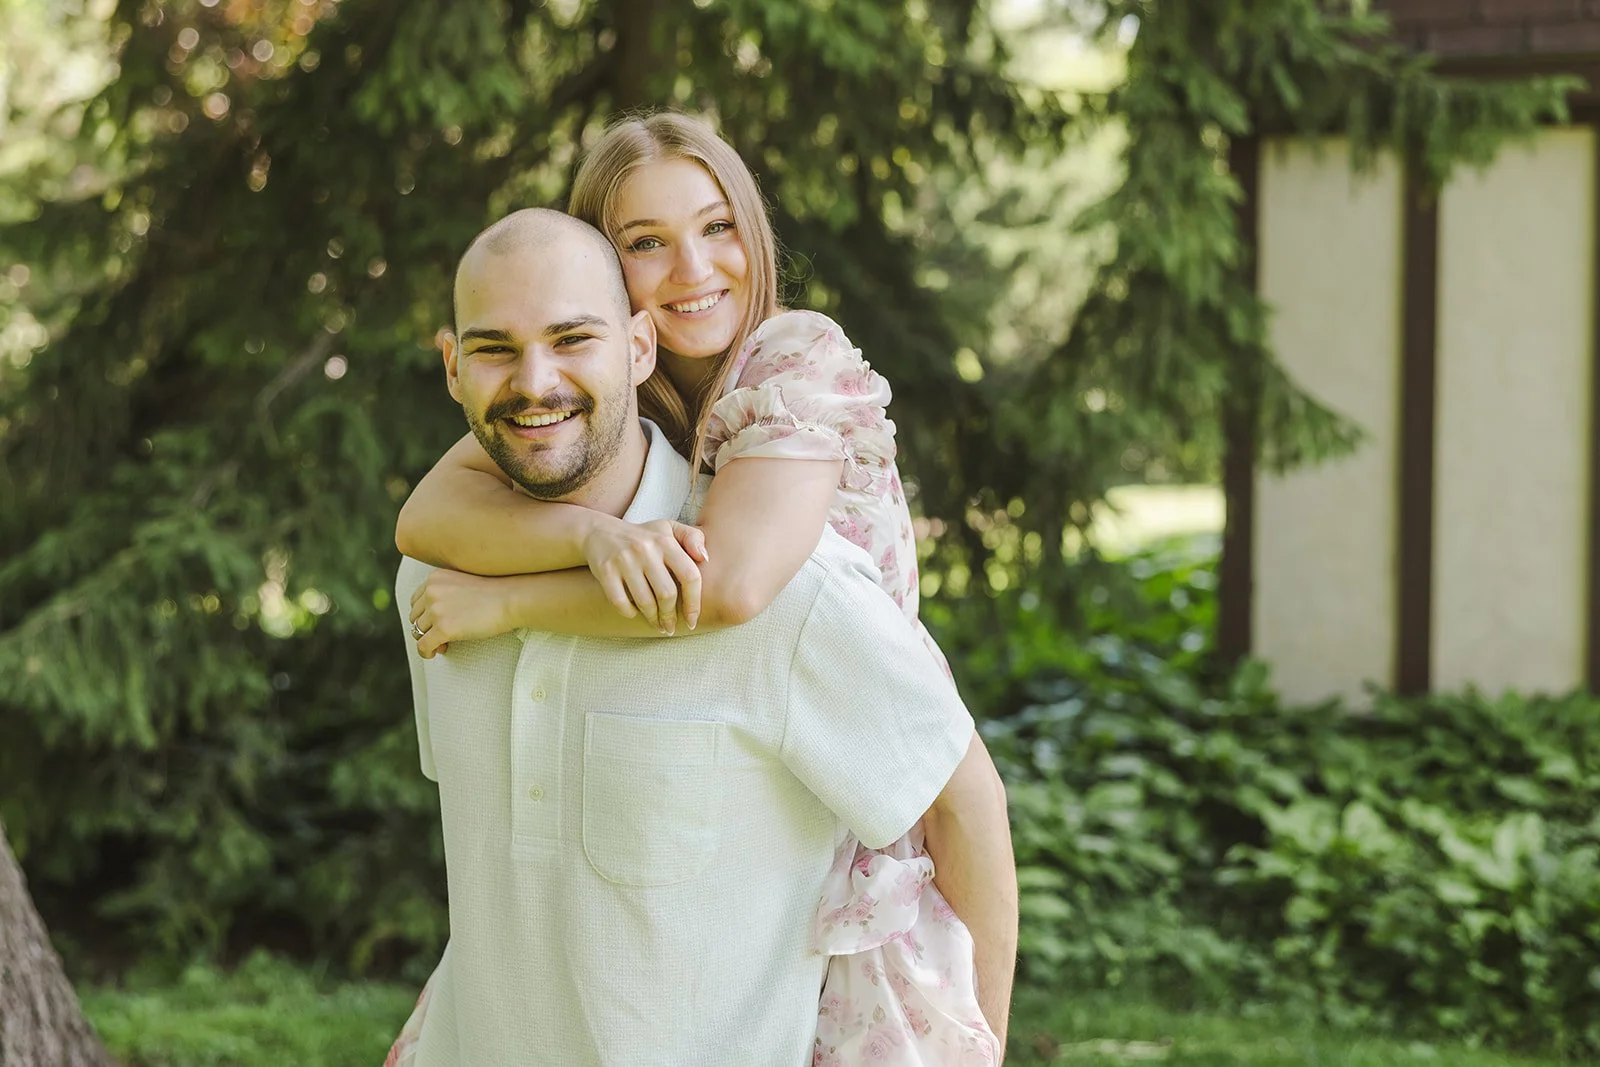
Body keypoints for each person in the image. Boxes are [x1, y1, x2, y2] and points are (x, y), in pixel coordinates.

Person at [392, 112, 1014, 1064]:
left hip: (871, 835)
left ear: (630, 341)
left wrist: (512, 600)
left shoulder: (791, 368)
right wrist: (590, 536)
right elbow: (425, 517)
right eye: (645, 242)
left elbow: (723, 589)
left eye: (718, 227)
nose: (692, 268)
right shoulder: (557, 405)